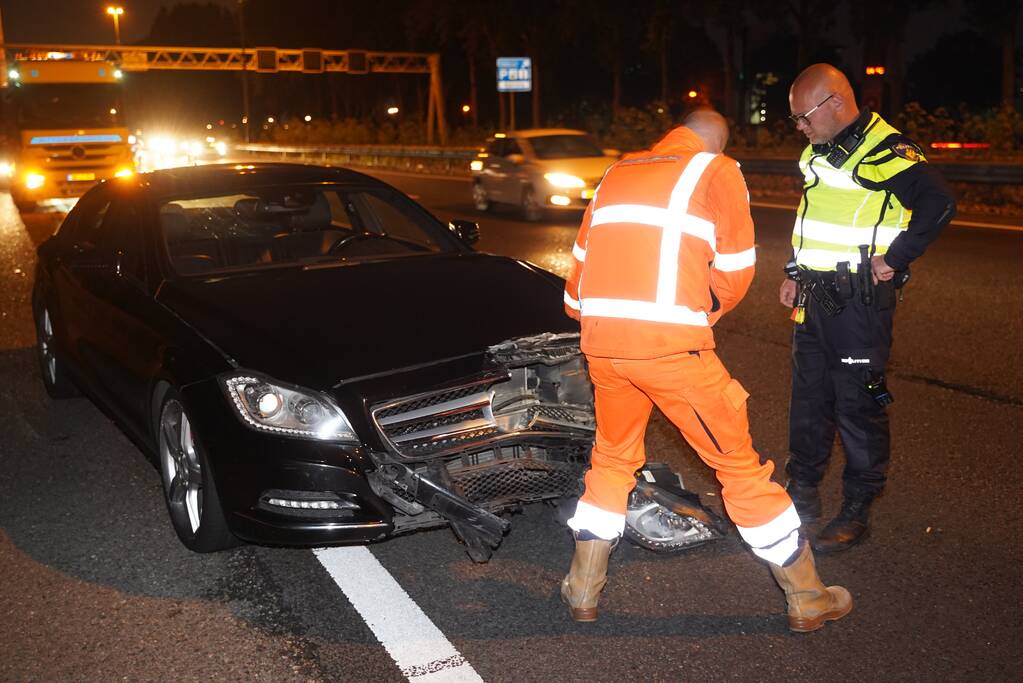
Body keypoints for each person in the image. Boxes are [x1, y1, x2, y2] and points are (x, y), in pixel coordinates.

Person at [560, 108, 852, 632]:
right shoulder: (717, 170)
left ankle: (583, 588)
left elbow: (577, 271)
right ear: (718, 140)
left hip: (603, 344)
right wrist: (701, 312)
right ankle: (807, 595)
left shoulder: (616, 170)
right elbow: (736, 272)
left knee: (611, 458)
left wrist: (606, 325)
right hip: (672, 348)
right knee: (739, 469)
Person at [781, 64, 955, 552]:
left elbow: (939, 203)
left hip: (858, 302)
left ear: (834, 102)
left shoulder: (885, 149)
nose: (799, 127)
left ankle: (857, 506)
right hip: (813, 295)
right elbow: (814, 214)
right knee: (809, 400)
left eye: (803, 117)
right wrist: (792, 271)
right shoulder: (821, 147)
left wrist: (895, 259)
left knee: (859, 403)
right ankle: (802, 494)